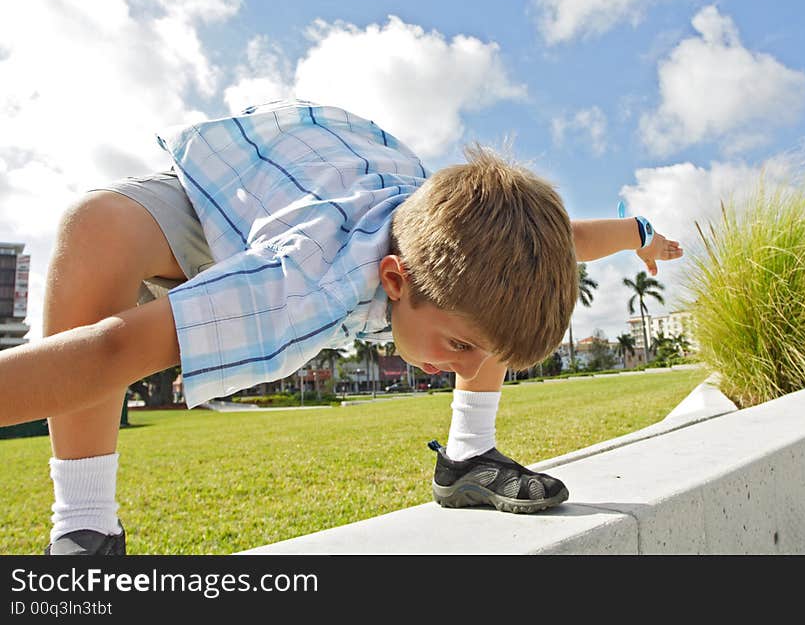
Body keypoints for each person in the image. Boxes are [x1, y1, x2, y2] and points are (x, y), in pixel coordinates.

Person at [0, 100, 683, 555]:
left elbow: (561, 237)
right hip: (228, 191)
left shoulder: (452, 239)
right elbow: (116, 349)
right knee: (93, 230)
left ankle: (469, 456)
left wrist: (640, 234)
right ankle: (85, 526)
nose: (471, 367)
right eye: (459, 350)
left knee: (499, 298)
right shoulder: (306, 283)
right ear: (391, 279)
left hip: (324, 169)